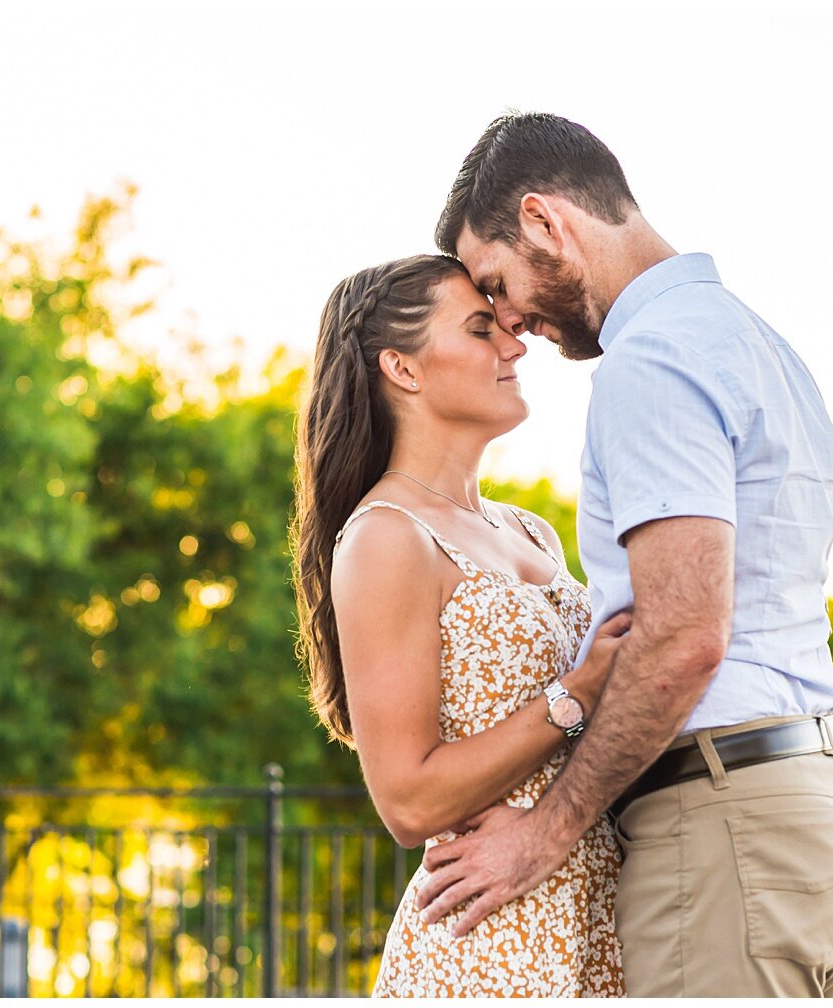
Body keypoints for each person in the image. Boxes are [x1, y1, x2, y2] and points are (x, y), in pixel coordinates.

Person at [414, 112, 833, 997]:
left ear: (547, 221)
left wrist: (546, 833)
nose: (509, 319)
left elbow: (683, 639)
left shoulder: (651, 365)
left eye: (496, 280)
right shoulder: (756, 344)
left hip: (727, 831)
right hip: (823, 813)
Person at [292, 253, 633, 997]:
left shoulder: (531, 531)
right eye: (482, 330)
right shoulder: (386, 536)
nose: (514, 345)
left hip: (596, 919)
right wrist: (576, 691)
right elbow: (407, 802)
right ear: (403, 369)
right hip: (490, 944)